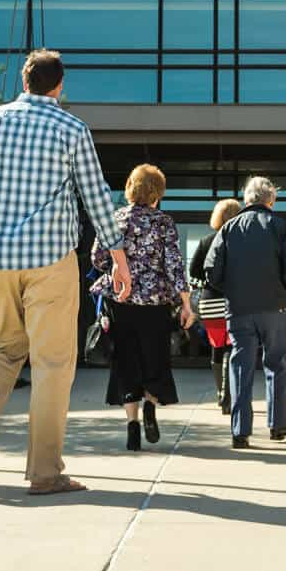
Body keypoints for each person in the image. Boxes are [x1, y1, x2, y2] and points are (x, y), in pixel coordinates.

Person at [0, 50, 128, 497]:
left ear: (24, 81)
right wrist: (118, 257)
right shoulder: (71, 128)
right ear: (59, 85)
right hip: (49, 259)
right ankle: (44, 473)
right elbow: (95, 196)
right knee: (52, 364)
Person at [89, 164, 195, 451]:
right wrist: (185, 303)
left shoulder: (116, 220)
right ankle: (150, 405)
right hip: (155, 304)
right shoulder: (164, 223)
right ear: (157, 192)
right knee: (153, 358)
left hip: (120, 301)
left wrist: (119, 265)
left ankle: (132, 426)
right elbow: (174, 265)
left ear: (130, 188)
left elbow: (98, 259)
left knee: (125, 363)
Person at [202, 175, 286, 449]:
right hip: (276, 309)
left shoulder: (229, 228)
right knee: (276, 364)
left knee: (240, 367)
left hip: (239, 309)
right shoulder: (281, 227)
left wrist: (233, 290)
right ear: (270, 200)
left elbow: (211, 270)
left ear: (247, 200)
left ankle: (240, 431)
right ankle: (277, 425)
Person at [190, 199, 242, 411]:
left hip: (210, 303)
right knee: (233, 346)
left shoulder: (205, 241)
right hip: (236, 302)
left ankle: (221, 392)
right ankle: (229, 394)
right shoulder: (243, 242)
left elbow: (194, 272)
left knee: (217, 346)